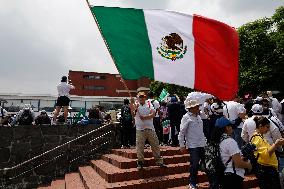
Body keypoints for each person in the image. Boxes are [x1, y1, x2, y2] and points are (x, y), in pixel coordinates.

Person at [208, 117, 252, 189]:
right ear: (227, 128)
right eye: (230, 126)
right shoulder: (229, 141)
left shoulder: (215, 141)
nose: (232, 127)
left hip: (220, 175)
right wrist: (248, 165)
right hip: (232, 177)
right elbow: (238, 163)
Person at [130, 91, 165, 170]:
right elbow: (132, 112)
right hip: (140, 129)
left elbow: (153, 114)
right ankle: (140, 162)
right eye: (140, 97)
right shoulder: (136, 104)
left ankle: (159, 161)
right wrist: (132, 104)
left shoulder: (149, 103)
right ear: (138, 98)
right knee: (140, 146)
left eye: (143, 97)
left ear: (145, 97)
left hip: (150, 128)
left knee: (155, 144)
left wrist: (145, 117)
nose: (141, 98)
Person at [178, 100, 206, 189]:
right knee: (194, 164)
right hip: (193, 144)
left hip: (202, 143)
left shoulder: (199, 116)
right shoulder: (186, 117)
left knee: (207, 163)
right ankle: (192, 183)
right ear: (191, 108)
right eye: (196, 106)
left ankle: (214, 182)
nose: (198, 108)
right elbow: (182, 132)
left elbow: (205, 120)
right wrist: (182, 145)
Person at [251, 116, 284, 189]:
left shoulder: (260, 137)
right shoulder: (257, 138)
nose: (268, 129)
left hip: (268, 169)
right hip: (266, 171)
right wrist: (276, 144)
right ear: (260, 126)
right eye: (267, 127)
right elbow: (266, 154)